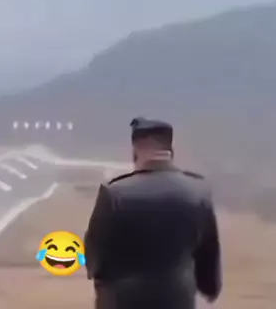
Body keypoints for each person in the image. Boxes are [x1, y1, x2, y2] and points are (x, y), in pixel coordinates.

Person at [84, 117, 222, 309]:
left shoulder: (114, 193)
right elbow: (208, 255)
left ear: (135, 152)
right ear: (170, 150)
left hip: (122, 301)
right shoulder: (198, 190)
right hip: (177, 301)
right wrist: (210, 289)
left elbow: (94, 255)